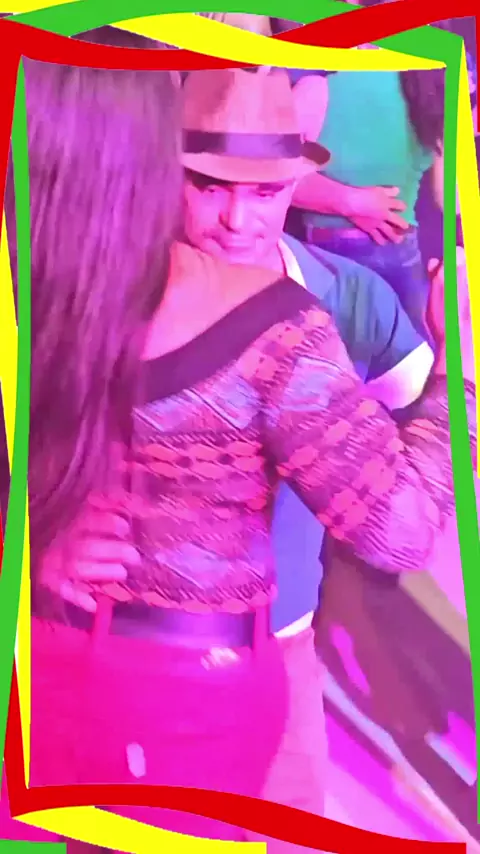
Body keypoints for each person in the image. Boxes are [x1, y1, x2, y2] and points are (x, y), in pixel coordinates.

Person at [9, 53, 475, 854]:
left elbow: (402, 460)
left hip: (259, 645)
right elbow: (400, 525)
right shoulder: (100, 287)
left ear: (298, 187)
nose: (237, 219)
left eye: (265, 191)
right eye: (208, 184)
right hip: (156, 682)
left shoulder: (342, 293)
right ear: (159, 167)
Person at [286, 0, 446, 336]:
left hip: (327, 258)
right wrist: (354, 202)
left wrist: (349, 201)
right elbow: (450, 199)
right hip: (399, 252)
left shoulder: (318, 83)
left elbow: (275, 178)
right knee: (412, 365)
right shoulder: (430, 91)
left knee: (329, 362)